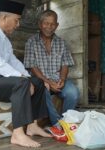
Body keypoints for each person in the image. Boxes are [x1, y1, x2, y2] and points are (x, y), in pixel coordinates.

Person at [0, 0, 52, 148]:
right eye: (16, 20)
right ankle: (18, 134)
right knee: (22, 83)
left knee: (37, 82)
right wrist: (23, 80)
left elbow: (13, 62)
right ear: (5, 18)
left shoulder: (4, 40)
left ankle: (32, 126)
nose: (18, 25)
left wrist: (27, 77)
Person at [24, 9, 80, 141]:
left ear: (57, 25)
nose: (49, 27)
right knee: (43, 90)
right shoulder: (31, 42)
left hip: (58, 79)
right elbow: (32, 67)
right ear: (40, 24)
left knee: (73, 93)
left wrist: (62, 80)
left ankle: (66, 121)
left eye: (52, 24)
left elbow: (65, 64)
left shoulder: (61, 42)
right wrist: (48, 82)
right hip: (41, 80)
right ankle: (58, 124)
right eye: (46, 23)